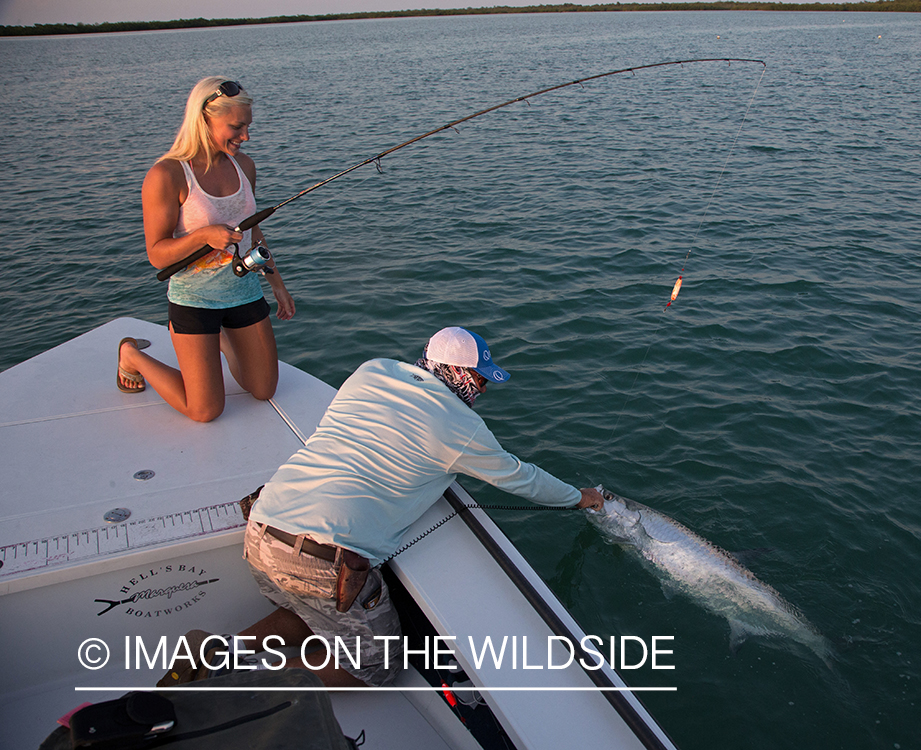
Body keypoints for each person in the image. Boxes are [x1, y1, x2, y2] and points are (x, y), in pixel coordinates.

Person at [174, 327, 604, 688]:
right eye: (479, 378)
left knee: (312, 611)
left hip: (262, 529)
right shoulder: (464, 428)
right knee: (376, 668)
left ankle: (221, 649)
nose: (485, 388)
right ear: (455, 373)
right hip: (326, 562)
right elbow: (522, 478)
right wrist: (579, 497)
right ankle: (236, 672)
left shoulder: (372, 371)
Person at [118, 77, 295, 422]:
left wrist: (277, 283)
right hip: (194, 302)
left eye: (248, 127)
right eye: (236, 127)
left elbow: (253, 230)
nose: (245, 137)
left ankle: (222, 339)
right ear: (204, 119)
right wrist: (203, 236)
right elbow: (157, 254)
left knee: (263, 390)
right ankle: (131, 355)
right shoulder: (167, 175)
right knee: (205, 411)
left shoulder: (244, 166)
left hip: (243, 292)